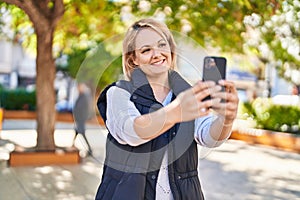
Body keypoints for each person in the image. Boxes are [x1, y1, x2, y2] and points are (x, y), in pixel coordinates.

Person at [95, 18, 239, 200]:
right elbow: (132, 131)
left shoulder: (187, 95)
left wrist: (226, 119)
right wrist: (177, 111)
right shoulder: (119, 93)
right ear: (134, 59)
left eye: (162, 45)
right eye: (146, 50)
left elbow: (209, 137)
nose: (157, 54)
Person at [73, 82, 93, 156]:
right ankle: (72, 144)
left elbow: (83, 108)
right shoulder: (80, 95)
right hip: (78, 118)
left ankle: (90, 150)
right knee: (77, 131)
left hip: (81, 118)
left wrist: (81, 117)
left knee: (82, 133)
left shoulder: (84, 96)